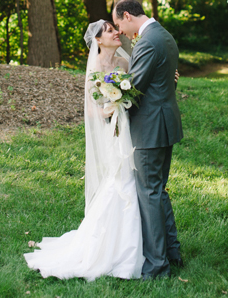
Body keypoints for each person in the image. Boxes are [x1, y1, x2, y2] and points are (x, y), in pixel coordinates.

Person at [24, 20, 144, 280]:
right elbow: (91, 108)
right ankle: (110, 245)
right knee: (120, 179)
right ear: (99, 40)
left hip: (128, 127)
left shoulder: (124, 64)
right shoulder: (95, 67)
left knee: (131, 176)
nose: (116, 33)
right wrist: (110, 108)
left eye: (115, 29)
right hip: (110, 128)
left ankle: (134, 243)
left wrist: (124, 103)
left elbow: (138, 89)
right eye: (110, 31)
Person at [112, 0, 183, 280]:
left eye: (120, 25)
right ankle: (173, 254)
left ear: (127, 15)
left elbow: (134, 90)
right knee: (158, 190)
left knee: (149, 193)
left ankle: (156, 266)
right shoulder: (164, 35)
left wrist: (109, 106)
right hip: (165, 124)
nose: (122, 32)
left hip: (150, 128)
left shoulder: (147, 42)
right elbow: (163, 79)